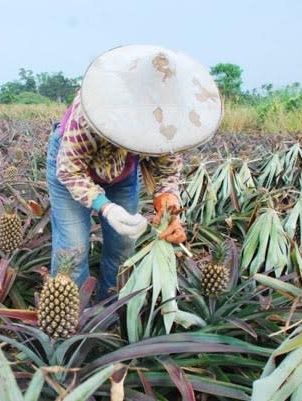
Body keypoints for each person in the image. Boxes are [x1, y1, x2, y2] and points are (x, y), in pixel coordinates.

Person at [46, 45, 222, 302]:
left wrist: (169, 209)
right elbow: (70, 169)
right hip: (72, 169)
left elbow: (166, 173)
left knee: (123, 245)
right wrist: (105, 207)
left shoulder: (169, 120)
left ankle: (110, 312)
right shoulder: (90, 113)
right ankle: (74, 319)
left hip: (122, 175)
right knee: (73, 248)